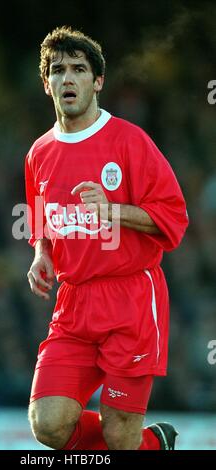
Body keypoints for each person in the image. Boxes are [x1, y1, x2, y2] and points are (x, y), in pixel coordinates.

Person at [24, 26, 188, 450]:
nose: (68, 79)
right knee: (48, 425)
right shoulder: (38, 153)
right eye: (58, 70)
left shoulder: (130, 142)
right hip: (73, 303)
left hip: (131, 299)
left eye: (79, 69)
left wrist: (112, 211)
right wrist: (42, 253)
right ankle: (150, 444)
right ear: (47, 84)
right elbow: (42, 215)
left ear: (97, 82)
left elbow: (174, 218)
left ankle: (141, 442)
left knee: (119, 434)